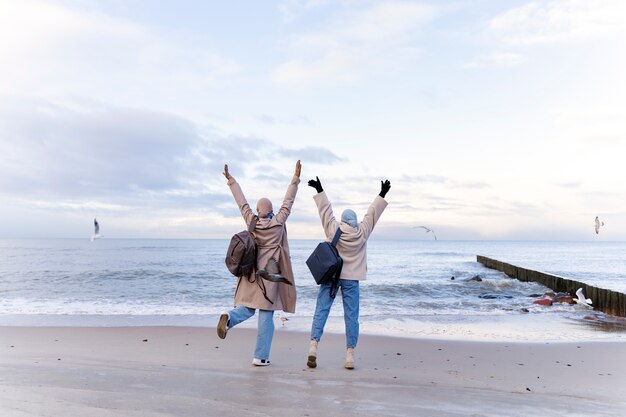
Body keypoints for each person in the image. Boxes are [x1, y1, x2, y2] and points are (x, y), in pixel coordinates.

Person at [217, 160, 301, 366]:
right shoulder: (278, 221)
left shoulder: (250, 221)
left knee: (247, 307)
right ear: (272, 210)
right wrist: (296, 177)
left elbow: (241, 202)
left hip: (251, 272)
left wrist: (231, 180)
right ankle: (260, 356)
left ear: (257, 210)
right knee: (265, 314)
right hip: (270, 274)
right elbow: (288, 201)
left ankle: (229, 318)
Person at [306, 176, 390, 369]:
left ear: (343, 220)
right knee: (351, 316)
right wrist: (382, 193)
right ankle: (350, 356)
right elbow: (372, 214)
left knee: (322, 310)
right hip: (351, 279)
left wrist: (319, 189)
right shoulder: (362, 232)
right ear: (355, 221)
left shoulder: (334, 229)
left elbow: (326, 212)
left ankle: (313, 347)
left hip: (331, 277)